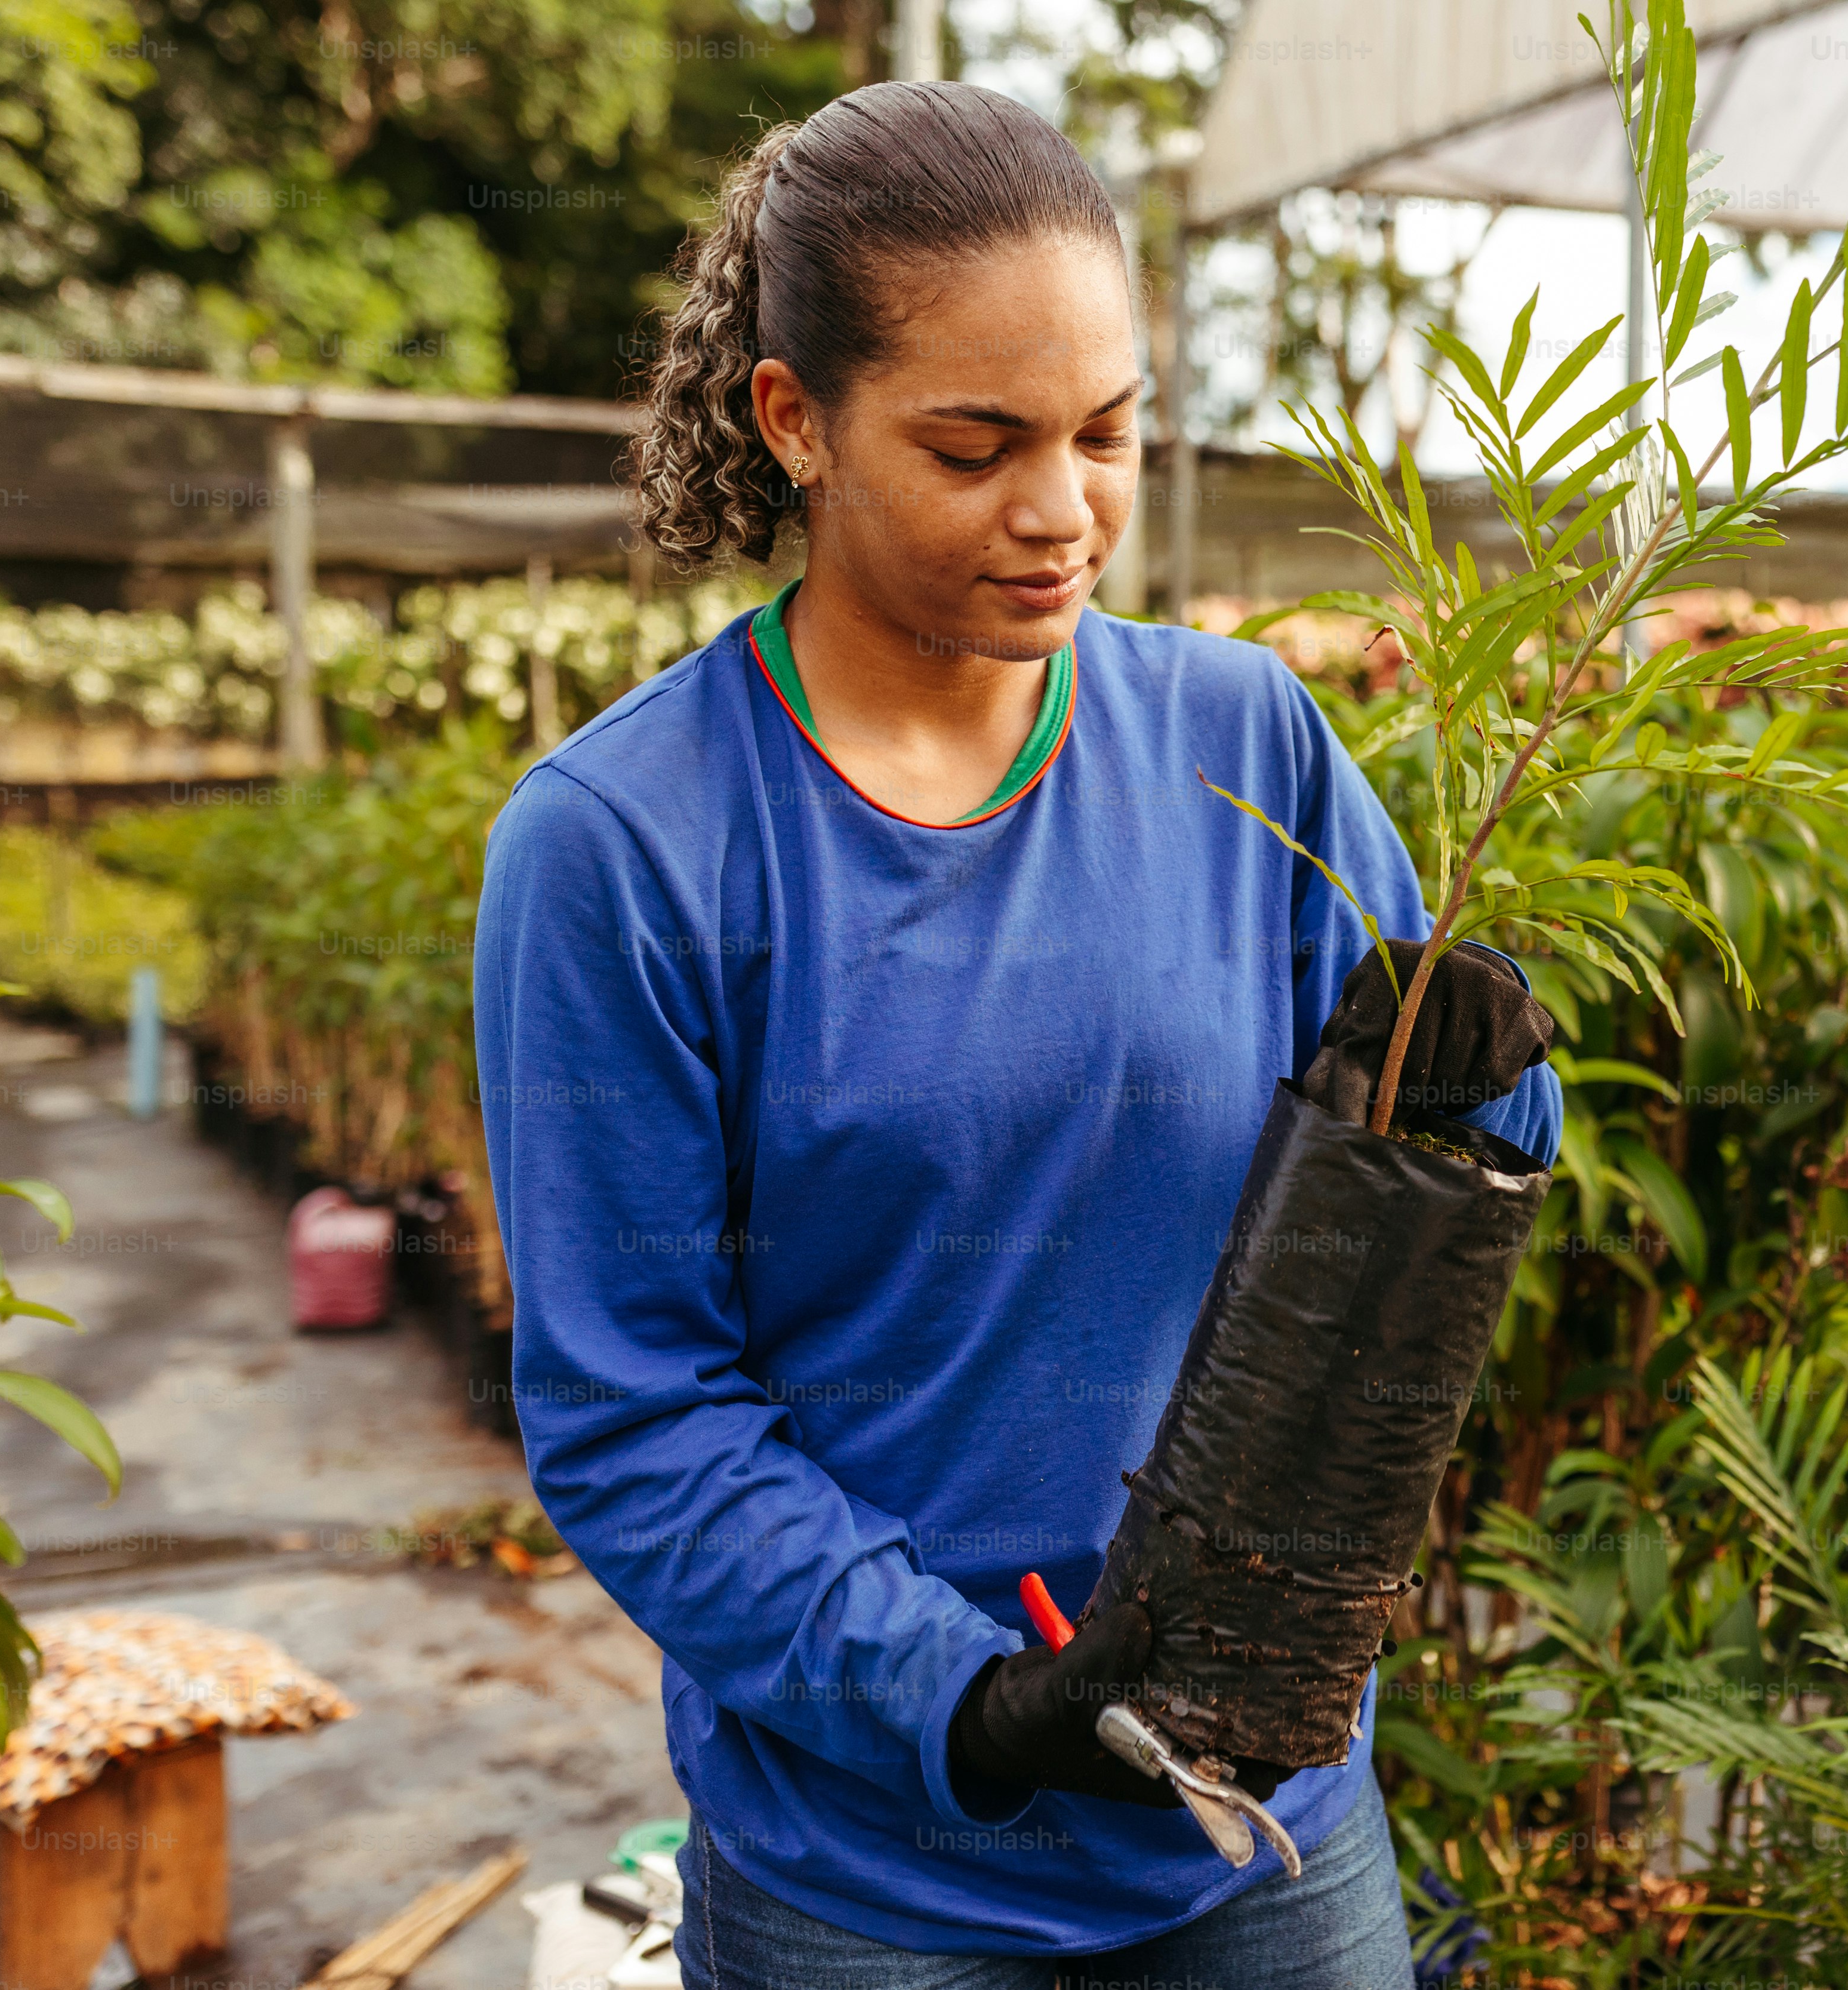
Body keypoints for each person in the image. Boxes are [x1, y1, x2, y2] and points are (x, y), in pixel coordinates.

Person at [470, 80, 1560, 1990]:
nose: (1063, 513)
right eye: (975, 447)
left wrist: (1481, 1082)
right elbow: (635, 1411)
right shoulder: (630, 845)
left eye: (1109, 432)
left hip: (1269, 1839)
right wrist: (965, 1706)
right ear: (795, 420)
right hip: (878, 1877)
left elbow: (1449, 1186)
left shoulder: (1246, 745)